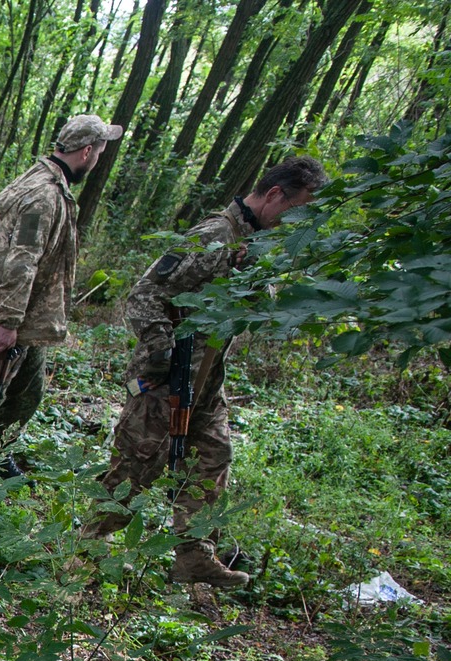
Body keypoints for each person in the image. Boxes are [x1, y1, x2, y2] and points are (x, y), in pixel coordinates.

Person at [84, 156, 329, 588]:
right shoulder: (213, 236)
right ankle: (86, 551)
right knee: (135, 470)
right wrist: (162, 355)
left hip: (207, 385)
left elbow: (261, 310)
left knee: (212, 461)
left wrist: (257, 275)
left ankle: (194, 557)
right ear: (274, 195)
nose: (295, 224)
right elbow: (143, 296)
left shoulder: (254, 245)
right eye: (296, 211)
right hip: (167, 382)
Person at [0, 113, 123, 455]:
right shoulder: (43, 196)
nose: (97, 162)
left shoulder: (46, 182)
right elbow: (23, 258)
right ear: (87, 152)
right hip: (12, 316)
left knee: (28, 393)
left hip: (31, 315)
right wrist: (7, 322)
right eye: (100, 153)